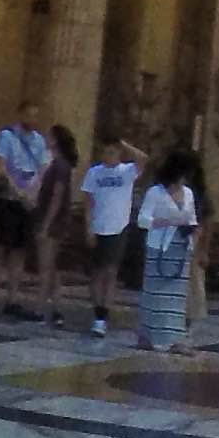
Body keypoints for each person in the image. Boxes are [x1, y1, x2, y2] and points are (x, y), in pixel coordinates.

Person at [136, 148, 202, 351]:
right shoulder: (155, 192)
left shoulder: (189, 193)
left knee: (176, 296)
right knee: (155, 294)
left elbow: (191, 218)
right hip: (159, 246)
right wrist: (162, 221)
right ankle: (148, 336)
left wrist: (193, 231)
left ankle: (175, 338)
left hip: (180, 248)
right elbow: (142, 220)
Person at [0, 104, 50, 319]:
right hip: (9, 199)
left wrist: (33, 193)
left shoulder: (39, 141)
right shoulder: (7, 136)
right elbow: (1, 166)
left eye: (36, 115)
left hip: (28, 202)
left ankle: (12, 299)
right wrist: (18, 191)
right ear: (21, 114)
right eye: (29, 114)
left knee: (19, 252)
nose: (32, 119)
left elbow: (42, 170)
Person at [80, 130, 140, 335]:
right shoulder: (94, 173)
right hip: (98, 227)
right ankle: (97, 311)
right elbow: (88, 202)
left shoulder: (127, 171)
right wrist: (88, 227)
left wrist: (124, 143)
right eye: (105, 152)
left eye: (113, 152)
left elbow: (144, 159)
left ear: (119, 153)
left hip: (118, 227)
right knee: (96, 274)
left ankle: (103, 316)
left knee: (110, 272)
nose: (108, 156)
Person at [36, 125, 84, 321]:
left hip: (54, 222)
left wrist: (46, 224)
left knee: (45, 266)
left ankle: (40, 308)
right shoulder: (59, 165)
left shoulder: (60, 166)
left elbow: (57, 196)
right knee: (51, 266)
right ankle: (56, 308)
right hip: (56, 220)